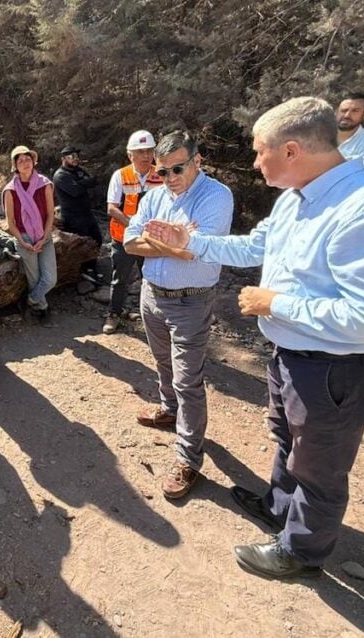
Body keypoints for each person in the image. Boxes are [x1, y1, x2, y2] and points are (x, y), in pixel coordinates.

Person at [146, 96, 364, 578]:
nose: (256, 163)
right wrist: (189, 242)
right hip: (293, 355)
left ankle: (301, 551)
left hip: (336, 368)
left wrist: (273, 304)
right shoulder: (296, 197)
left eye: (261, 152)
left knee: (319, 465)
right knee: (286, 438)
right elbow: (255, 245)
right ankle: (278, 507)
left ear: (293, 150)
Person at [123, 131, 233, 499]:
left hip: (191, 301)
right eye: (162, 170)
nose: (169, 178)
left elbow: (192, 254)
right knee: (161, 362)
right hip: (152, 295)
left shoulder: (216, 196)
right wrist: (171, 241)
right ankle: (168, 410)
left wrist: (165, 244)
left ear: (197, 161)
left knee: (188, 380)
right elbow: (128, 241)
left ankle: (189, 458)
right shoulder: (155, 195)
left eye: (177, 169)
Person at [103, 130, 163, 335]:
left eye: (149, 151)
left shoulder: (162, 174)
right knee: (119, 278)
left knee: (153, 278)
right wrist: (133, 225)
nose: (146, 156)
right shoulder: (121, 175)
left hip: (151, 240)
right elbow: (112, 208)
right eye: (141, 151)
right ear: (131, 155)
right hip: (124, 238)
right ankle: (114, 313)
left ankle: (153, 320)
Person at [3, 145, 57, 320]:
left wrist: (44, 237)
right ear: (15, 166)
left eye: (28, 159)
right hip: (24, 238)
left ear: (33, 161)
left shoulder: (45, 184)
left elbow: (50, 214)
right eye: (20, 160)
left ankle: (31, 299)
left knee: (50, 278)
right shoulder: (10, 190)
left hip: (44, 235)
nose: (25, 163)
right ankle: (41, 307)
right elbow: (10, 222)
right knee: (34, 277)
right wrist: (22, 241)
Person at [52, 145, 103, 283]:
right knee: (82, 243)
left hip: (86, 213)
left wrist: (82, 183)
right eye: (71, 156)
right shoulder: (60, 175)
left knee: (97, 238)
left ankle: (91, 266)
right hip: (73, 216)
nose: (75, 159)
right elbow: (75, 191)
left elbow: (94, 180)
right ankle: (84, 270)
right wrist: (85, 183)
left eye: (76, 156)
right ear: (63, 159)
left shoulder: (78, 171)